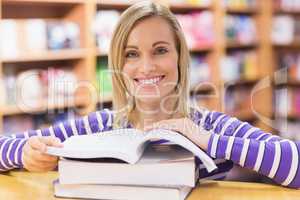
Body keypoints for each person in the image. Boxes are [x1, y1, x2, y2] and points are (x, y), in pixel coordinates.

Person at [0, 1, 299, 189]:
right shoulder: (99, 126)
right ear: (119, 64)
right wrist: (25, 153)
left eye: (160, 50)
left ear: (180, 58)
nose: (146, 66)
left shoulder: (210, 127)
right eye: (131, 54)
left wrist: (207, 141)